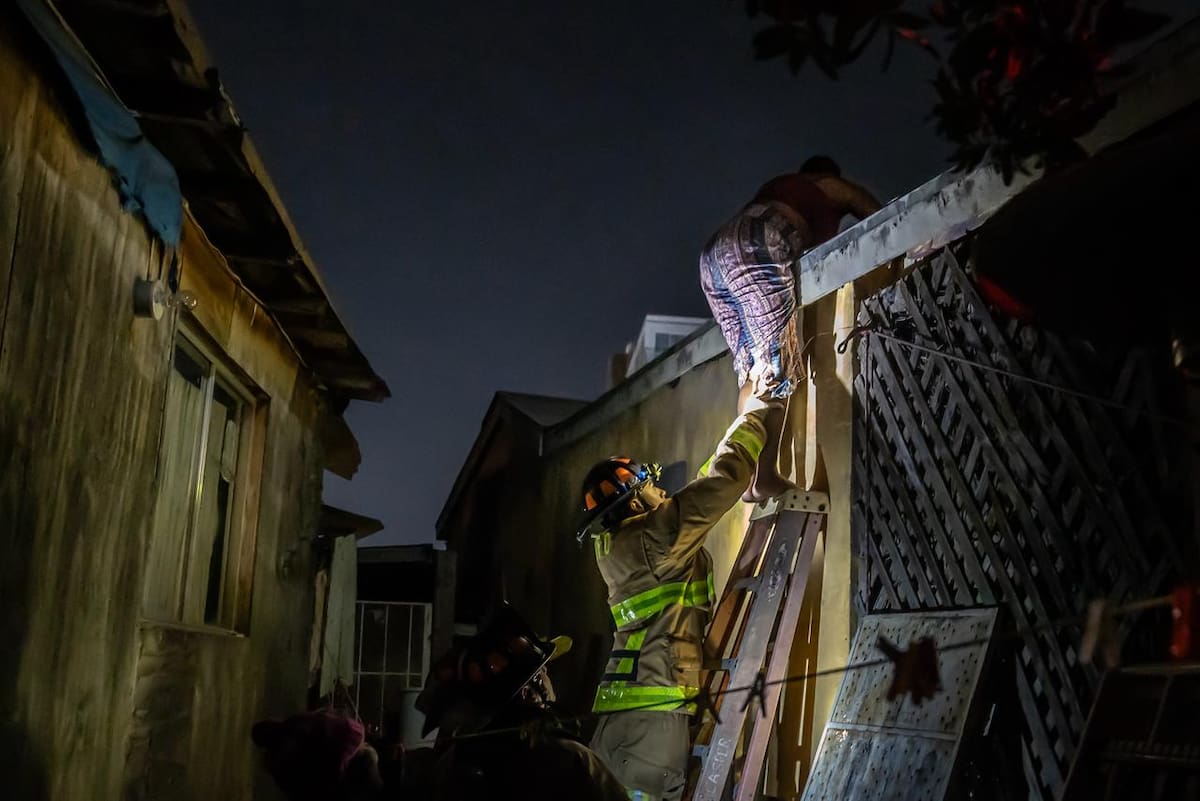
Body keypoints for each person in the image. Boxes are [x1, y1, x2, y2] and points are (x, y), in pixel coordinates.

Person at [575, 397, 776, 801]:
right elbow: (721, 485)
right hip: (652, 720)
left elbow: (694, 496)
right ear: (635, 502)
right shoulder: (656, 537)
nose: (662, 489)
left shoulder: (624, 544)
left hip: (626, 716)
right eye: (651, 486)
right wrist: (755, 415)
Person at [700, 155, 881, 502]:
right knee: (777, 366)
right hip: (756, 243)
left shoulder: (783, 189)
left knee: (751, 373)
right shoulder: (826, 185)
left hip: (714, 256)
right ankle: (764, 476)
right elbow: (876, 213)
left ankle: (751, 477)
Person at [410, 603, 629, 801]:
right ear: (529, 691)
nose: (547, 675)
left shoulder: (452, 767)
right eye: (542, 670)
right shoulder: (572, 760)